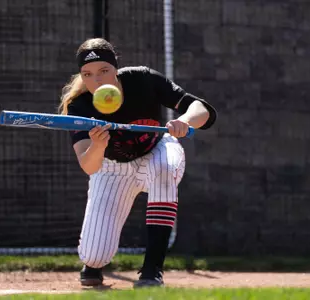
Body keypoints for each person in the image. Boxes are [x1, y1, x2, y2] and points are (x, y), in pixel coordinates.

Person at [58, 38, 217, 288]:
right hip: (111, 166)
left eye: (104, 71)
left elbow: (202, 110)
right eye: (87, 74)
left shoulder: (142, 79)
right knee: (93, 255)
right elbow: (89, 165)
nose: (96, 81)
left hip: (155, 151)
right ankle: (93, 263)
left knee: (165, 168)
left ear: (115, 68)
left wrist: (184, 121)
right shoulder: (79, 105)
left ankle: (152, 271)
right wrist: (97, 145)